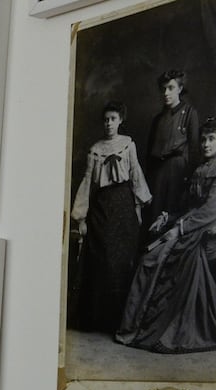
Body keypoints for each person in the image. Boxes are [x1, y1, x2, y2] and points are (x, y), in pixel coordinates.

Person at [116, 117, 216, 353]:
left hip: (203, 228)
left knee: (155, 260)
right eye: (203, 140)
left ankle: (147, 328)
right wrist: (168, 217)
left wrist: (179, 229)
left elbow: (210, 210)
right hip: (188, 224)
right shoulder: (199, 169)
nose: (206, 144)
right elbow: (187, 206)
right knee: (148, 259)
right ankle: (134, 326)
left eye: (212, 139)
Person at [70, 100, 151, 334]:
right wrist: (81, 217)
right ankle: (99, 319)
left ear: (120, 120)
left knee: (122, 260)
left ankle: (120, 321)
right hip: (102, 208)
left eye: (113, 119)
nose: (108, 123)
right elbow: (87, 183)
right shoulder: (95, 150)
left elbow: (135, 174)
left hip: (124, 206)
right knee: (103, 259)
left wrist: (138, 208)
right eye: (106, 119)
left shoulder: (128, 145)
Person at [144, 69, 200, 232]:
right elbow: (149, 154)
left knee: (171, 217)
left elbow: (194, 150)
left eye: (171, 88)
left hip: (178, 174)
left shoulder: (189, 113)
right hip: (157, 176)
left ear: (180, 89)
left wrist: (190, 178)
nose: (166, 93)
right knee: (153, 218)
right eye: (163, 89)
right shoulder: (158, 119)